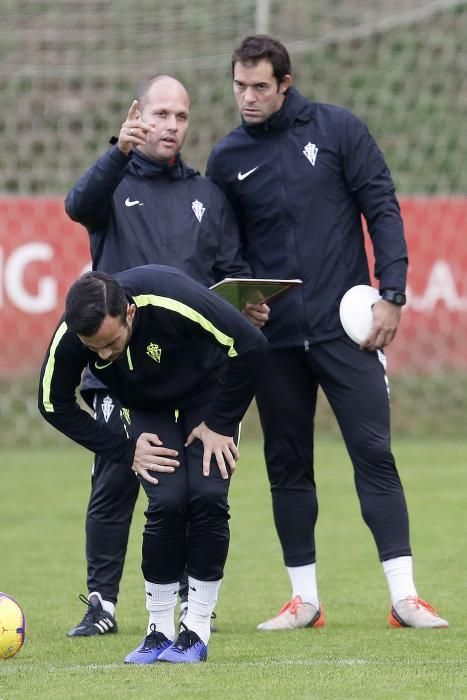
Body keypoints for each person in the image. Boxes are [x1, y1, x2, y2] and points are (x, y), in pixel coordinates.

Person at [206, 34, 448, 630]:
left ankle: (404, 598)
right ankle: (304, 601)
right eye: (239, 85)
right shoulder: (227, 157)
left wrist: (391, 294)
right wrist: (242, 302)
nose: (247, 97)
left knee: (374, 453)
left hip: (349, 333)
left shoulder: (338, 130)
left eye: (260, 86)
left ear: (285, 83)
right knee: (288, 466)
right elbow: (223, 250)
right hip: (276, 341)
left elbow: (382, 208)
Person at [64, 75, 268, 637]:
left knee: (186, 488)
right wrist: (117, 151)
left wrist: (246, 303)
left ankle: (186, 596)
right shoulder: (113, 184)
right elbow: (76, 205)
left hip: (192, 370)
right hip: (120, 369)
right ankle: (102, 603)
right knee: (116, 476)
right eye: (160, 115)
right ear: (139, 118)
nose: (171, 126)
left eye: (180, 116)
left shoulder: (206, 195)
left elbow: (229, 269)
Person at [38, 265, 268, 663]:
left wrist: (221, 423)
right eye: (94, 349)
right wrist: (125, 451)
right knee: (167, 502)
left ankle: (195, 630)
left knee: (209, 496)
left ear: (128, 313)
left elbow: (251, 345)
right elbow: (51, 402)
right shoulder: (77, 332)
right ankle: (158, 631)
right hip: (147, 408)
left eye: (110, 343)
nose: (103, 354)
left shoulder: (170, 295)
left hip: (207, 397)